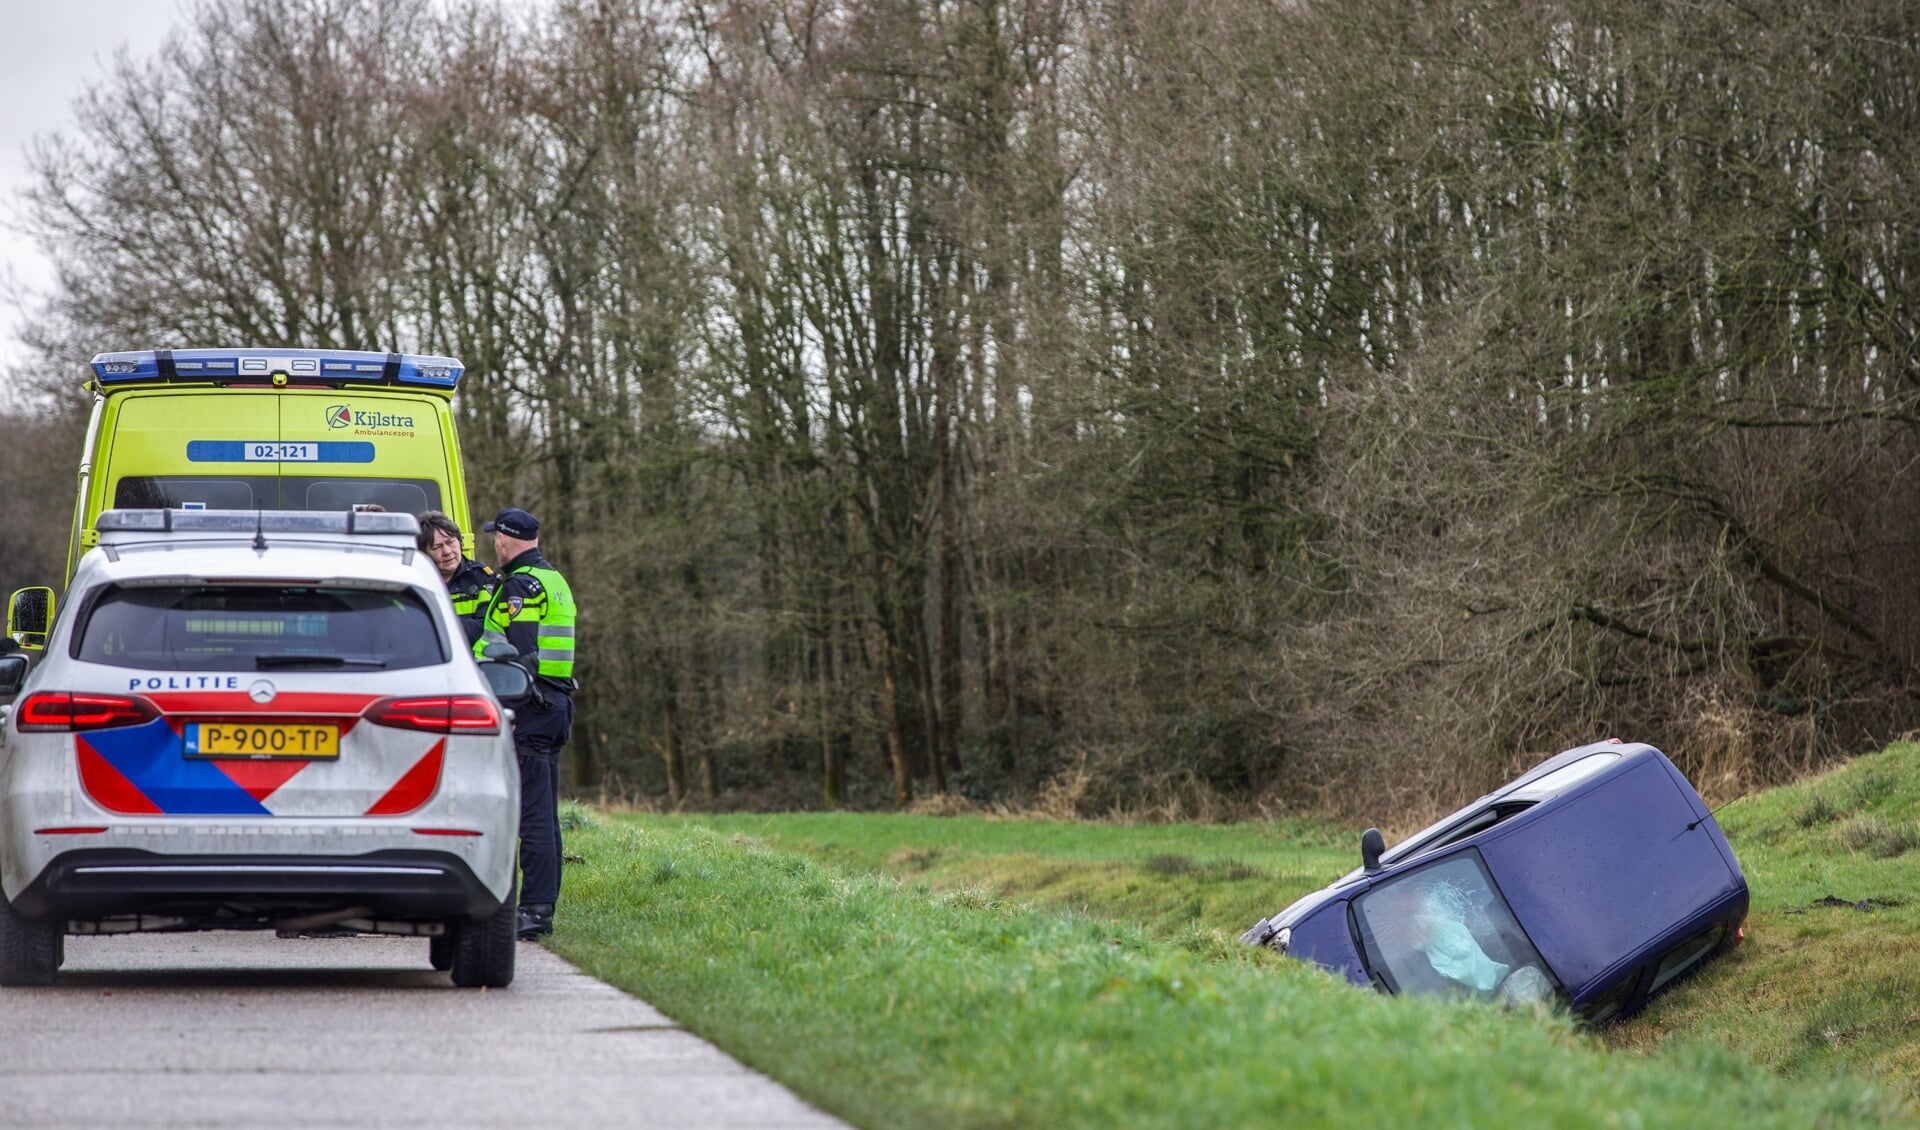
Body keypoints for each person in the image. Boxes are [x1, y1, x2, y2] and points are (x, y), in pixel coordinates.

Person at [473, 507, 578, 940]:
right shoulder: (553, 580)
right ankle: (541, 904)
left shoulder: (520, 586)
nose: (493, 543)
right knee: (545, 814)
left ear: (503, 540)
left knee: (532, 815)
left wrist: (509, 704)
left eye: (495, 536)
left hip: (530, 706)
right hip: (555, 702)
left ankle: (535, 910)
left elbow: (518, 655)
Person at [416, 511, 497, 644]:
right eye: (437, 547)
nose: (447, 552)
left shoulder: (482, 578)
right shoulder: (417, 581)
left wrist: (437, 625)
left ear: (460, 542)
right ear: (424, 553)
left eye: (450, 542)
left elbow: (487, 627)